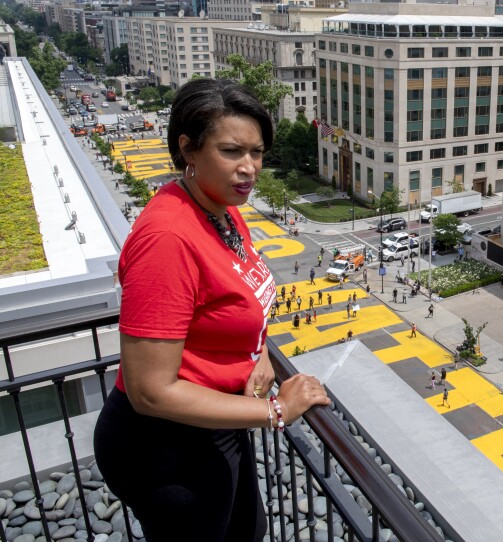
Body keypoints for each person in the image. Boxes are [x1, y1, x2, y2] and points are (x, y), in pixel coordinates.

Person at [93, 78, 330, 542]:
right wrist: (278, 411)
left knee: (247, 531)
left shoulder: (221, 207)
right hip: (164, 444)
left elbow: (233, 299)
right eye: (231, 151)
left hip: (215, 420)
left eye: (257, 152)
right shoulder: (169, 238)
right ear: (189, 149)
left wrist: (256, 352)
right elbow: (151, 391)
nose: (249, 168)